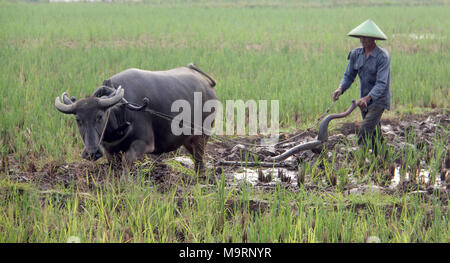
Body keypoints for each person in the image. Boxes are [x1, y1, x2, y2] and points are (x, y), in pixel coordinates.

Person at [332, 19, 391, 153]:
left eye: (366, 37)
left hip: (378, 99)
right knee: (375, 132)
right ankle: (382, 159)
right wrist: (340, 89)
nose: (363, 39)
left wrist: (367, 98)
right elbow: (349, 75)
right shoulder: (356, 54)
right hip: (364, 99)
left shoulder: (382, 57)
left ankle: (359, 158)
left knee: (365, 128)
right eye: (361, 37)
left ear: (373, 38)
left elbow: (382, 83)